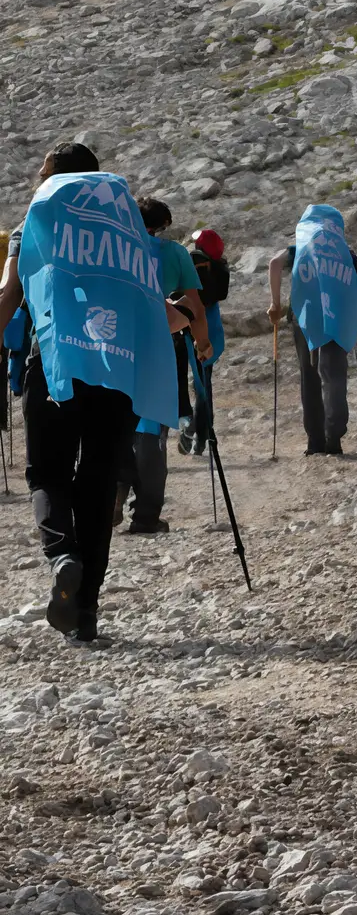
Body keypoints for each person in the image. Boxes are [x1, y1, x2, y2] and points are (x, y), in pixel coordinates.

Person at [0, 143, 186, 641]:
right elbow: (159, 309)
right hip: (117, 371)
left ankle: (62, 554)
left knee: (47, 472)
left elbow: (8, 295)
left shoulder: (34, 225)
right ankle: (86, 613)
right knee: (99, 481)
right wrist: (186, 322)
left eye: (41, 169)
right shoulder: (127, 232)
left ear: (54, 176)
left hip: (57, 364)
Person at [115, 197, 213, 534]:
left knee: (115, 422)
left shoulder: (115, 248)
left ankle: (112, 491)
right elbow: (195, 307)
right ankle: (145, 515)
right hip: (159, 342)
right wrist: (203, 345)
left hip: (113, 343)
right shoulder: (174, 254)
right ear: (163, 224)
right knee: (152, 426)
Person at [267, 205, 357, 455]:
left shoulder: (299, 249)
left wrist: (275, 304)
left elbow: (274, 263)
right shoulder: (347, 254)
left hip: (304, 319)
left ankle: (314, 442)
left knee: (309, 376)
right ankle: (334, 436)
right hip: (336, 320)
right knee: (334, 376)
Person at [186, 227, 230, 455]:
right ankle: (204, 436)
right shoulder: (220, 266)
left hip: (189, 325)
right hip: (212, 327)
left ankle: (196, 430)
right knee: (204, 383)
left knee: (198, 386)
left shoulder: (191, 262)